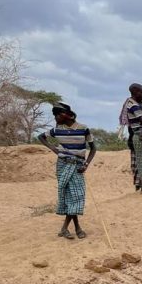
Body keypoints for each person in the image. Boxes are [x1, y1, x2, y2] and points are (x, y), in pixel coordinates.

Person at [36, 102, 96, 239]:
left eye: (56, 115)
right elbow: (40, 137)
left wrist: (86, 164)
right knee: (69, 196)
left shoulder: (83, 128)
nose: (55, 118)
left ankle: (66, 228)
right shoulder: (57, 130)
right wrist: (53, 148)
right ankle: (76, 228)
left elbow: (93, 149)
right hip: (62, 165)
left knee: (76, 195)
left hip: (78, 166)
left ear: (64, 115)